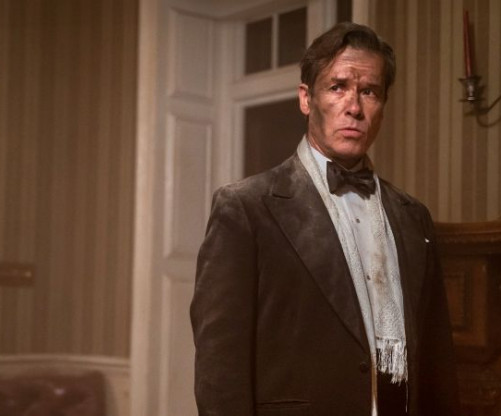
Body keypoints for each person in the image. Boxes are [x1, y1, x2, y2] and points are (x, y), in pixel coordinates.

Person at [190, 22, 458, 416]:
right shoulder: (245, 209)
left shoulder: (412, 217)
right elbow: (219, 371)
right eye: (338, 87)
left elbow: (437, 363)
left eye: (369, 91)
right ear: (306, 98)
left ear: (383, 105)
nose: (354, 107)